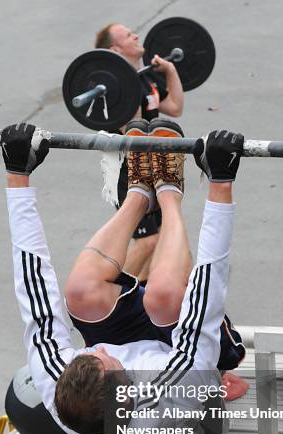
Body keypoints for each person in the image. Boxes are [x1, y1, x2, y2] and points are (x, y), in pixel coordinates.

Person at [1, 120, 244, 434]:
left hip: (138, 365)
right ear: (127, 386)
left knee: (81, 293)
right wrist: (221, 183)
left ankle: (138, 192)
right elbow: (207, 292)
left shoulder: (56, 384)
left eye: (85, 357)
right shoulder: (173, 395)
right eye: (100, 358)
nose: (92, 350)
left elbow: (34, 287)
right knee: (164, 297)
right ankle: (169, 193)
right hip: (197, 419)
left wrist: (17, 173)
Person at [95, 23, 184, 283]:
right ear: (116, 49)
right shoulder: (112, 86)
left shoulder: (144, 77)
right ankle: (110, 294)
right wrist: (127, 84)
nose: (136, 35)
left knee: (159, 241)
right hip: (128, 170)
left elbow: (175, 107)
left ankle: (138, 295)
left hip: (154, 165)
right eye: (128, 35)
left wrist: (170, 70)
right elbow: (129, 128)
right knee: (148, 241)